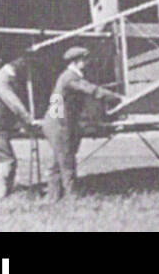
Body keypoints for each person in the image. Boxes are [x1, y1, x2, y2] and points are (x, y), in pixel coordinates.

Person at [41, 46, 120, 201]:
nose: (87, 62)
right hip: (59, 124)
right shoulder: (71, 77)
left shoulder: (69, 76)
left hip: (59, 122)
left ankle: (53, 197)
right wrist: (115, 97)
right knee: (67, 161)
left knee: (59, 161)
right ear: (76, 62)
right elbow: (91, 90)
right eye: (84, 59)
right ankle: (72, 197)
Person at [0, 56, 35, 202]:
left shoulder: (10, 78)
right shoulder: (1, 78)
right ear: (14, 61)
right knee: (7, 160)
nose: (25, 65)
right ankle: (1, 197)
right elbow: (12, 102)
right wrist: (28, 120)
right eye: (23, 61)